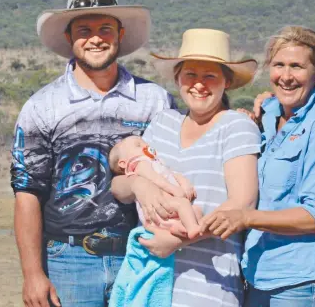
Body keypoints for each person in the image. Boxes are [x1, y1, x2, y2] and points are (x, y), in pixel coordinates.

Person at [10, 0, 174, 306]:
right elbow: (28, 193)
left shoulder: (155, 101)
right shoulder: (42, 106)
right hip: (68, 261)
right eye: (84, 29)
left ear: (120, 34)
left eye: (105, 28)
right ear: (69, 37)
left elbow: (180, 161)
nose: (96, 38)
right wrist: (32, 274)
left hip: (141, 252)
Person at [110, 28, 260, 306]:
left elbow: (242, 204)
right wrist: (138, 185)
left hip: (208, 287)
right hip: (151, 281)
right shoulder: (163, 123)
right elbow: (118, 185)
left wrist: (177, 241)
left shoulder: (236, 127)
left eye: (210, 76)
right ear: (178, 78)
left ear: (226, 82)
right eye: (191, 74)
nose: (199, 84)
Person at [202, 26, 315, 306]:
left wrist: (246, 217)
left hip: (303, 284)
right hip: (260, 277)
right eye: (279, 65)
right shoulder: (270, 117)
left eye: (297, 66)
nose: (286, 76)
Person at [108, 135, 202, 241]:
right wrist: (173, 189)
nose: (146, 146)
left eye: (145, 143)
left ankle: (178, 228)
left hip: (169, 207)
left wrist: (185, 185)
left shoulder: (156, 162)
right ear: (123, 163)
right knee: (184, 205)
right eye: (138, 145)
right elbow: (155, 178)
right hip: (158, 209)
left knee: (196, 211)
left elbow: (173, 175)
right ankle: (192, 228)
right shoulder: (139, 164)